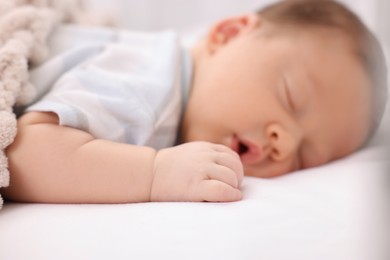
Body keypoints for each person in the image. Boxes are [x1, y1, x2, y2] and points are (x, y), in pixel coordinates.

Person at [2, 0, 387, 203]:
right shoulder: (149, 86)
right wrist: (154, 173)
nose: (283, 141)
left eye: (305, 155)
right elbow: (24, 155)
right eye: (290, 98)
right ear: (229, 32)